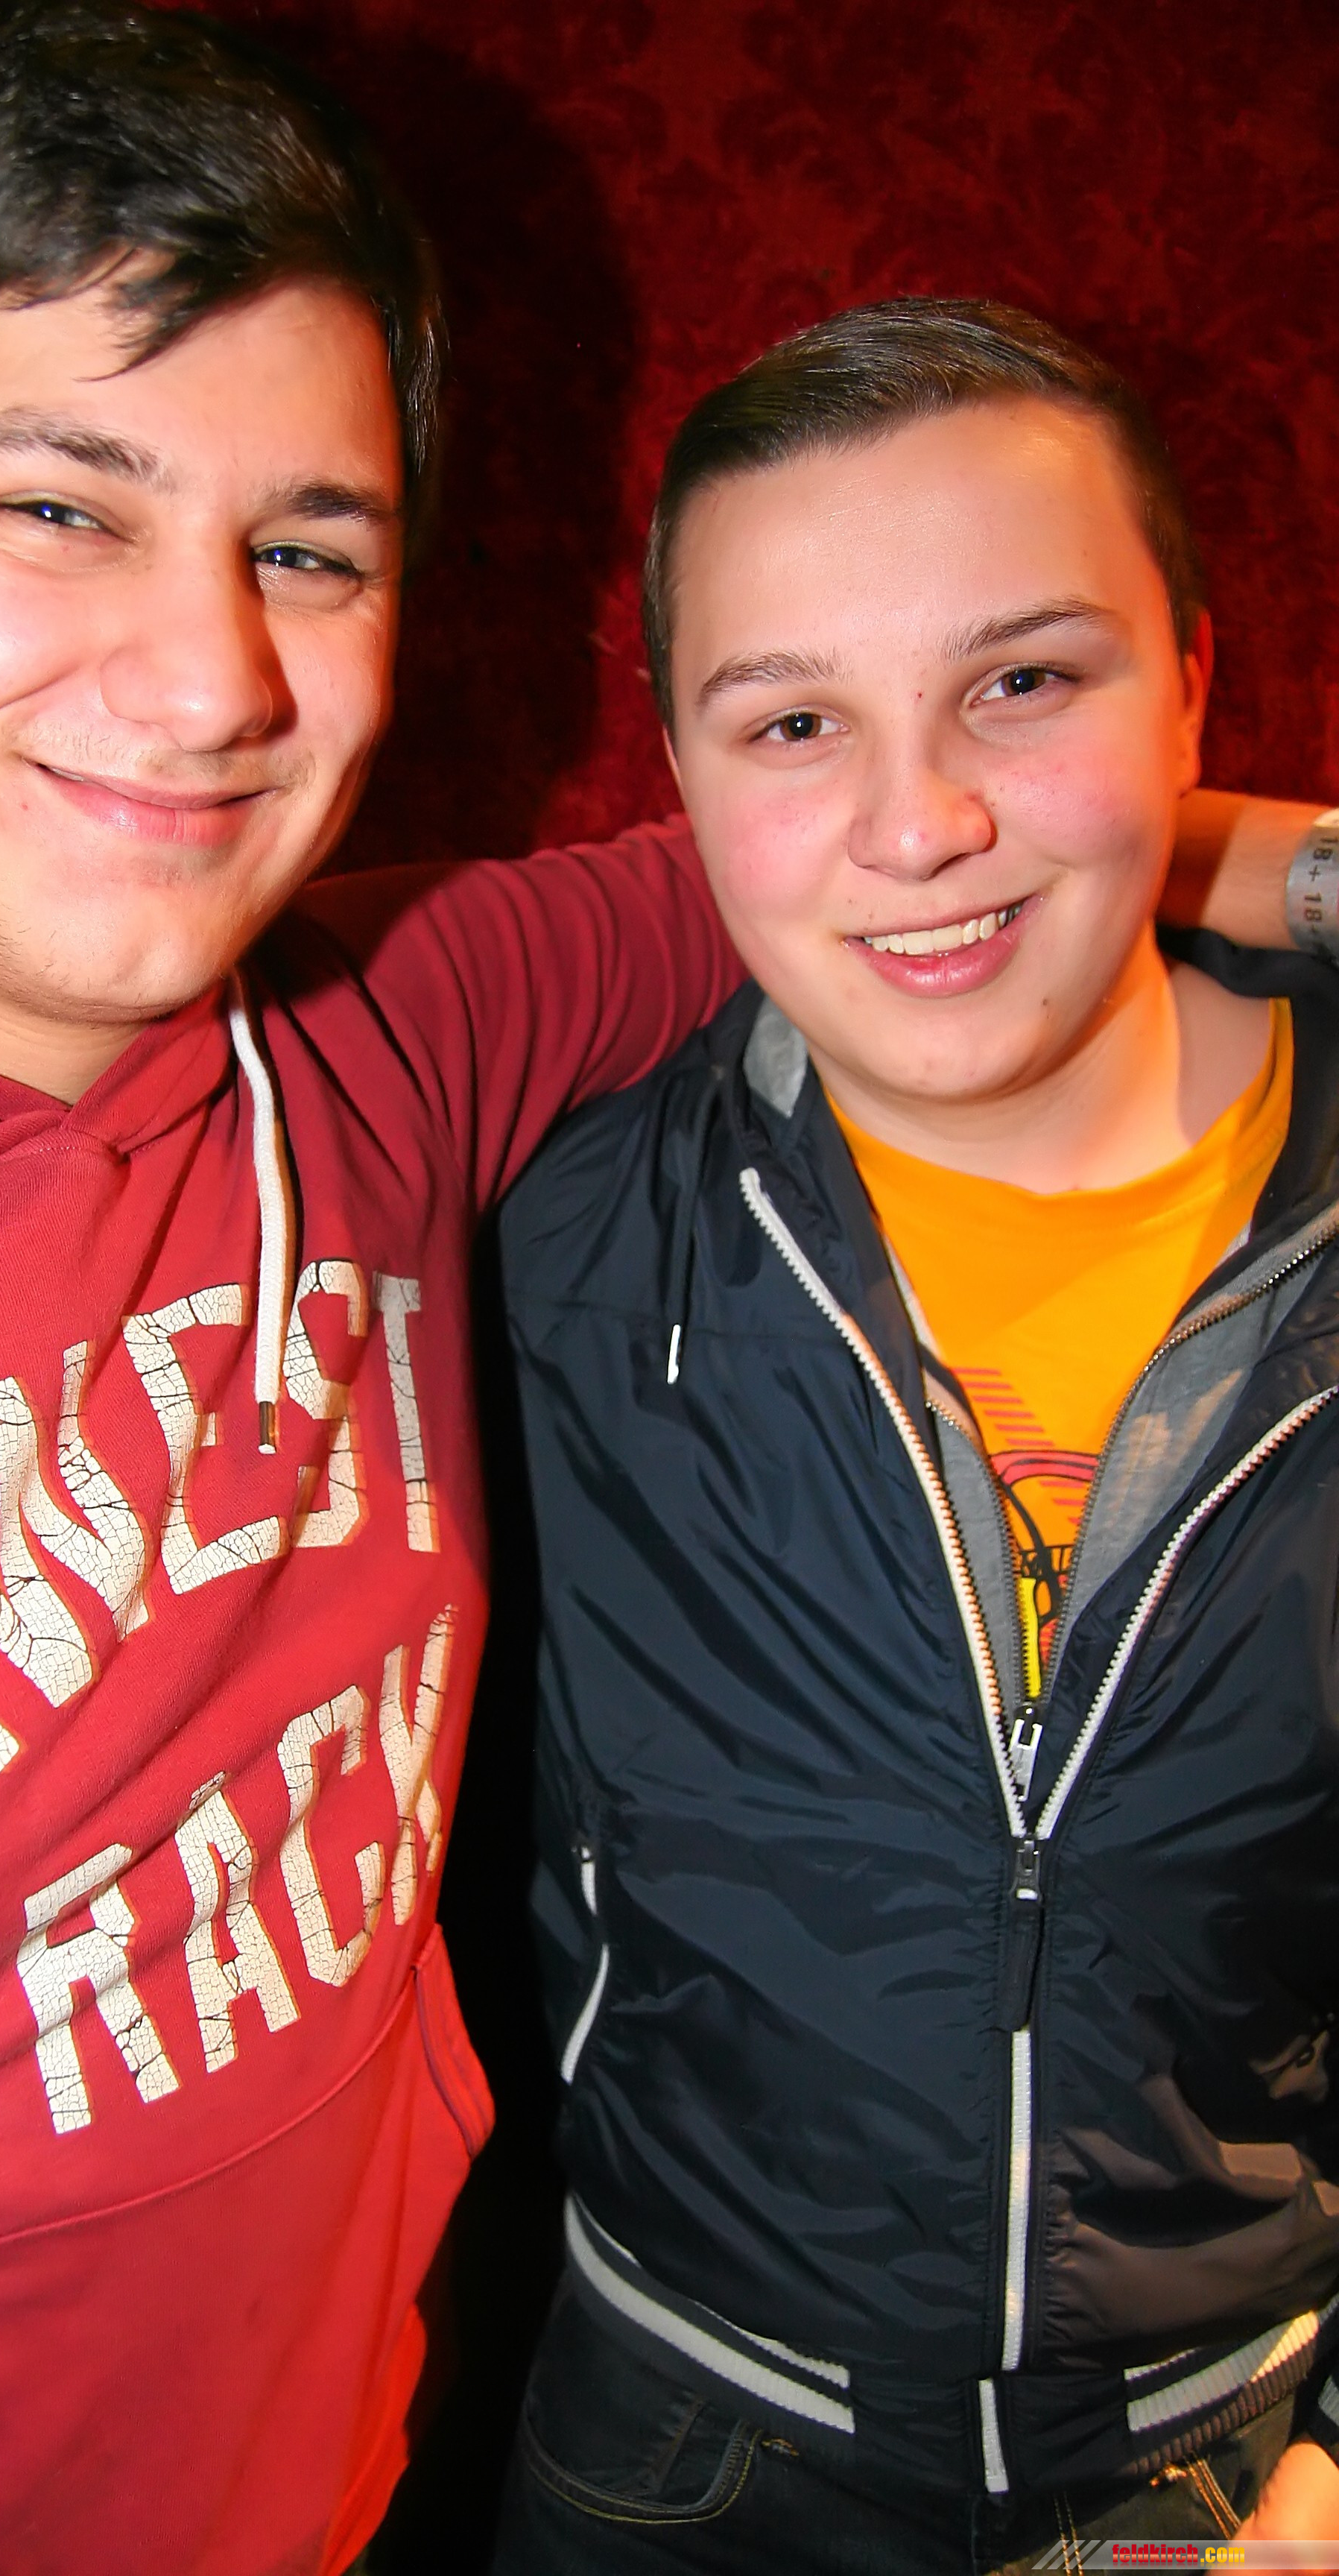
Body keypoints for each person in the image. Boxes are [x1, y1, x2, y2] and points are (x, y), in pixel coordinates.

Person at [0, 7, 1308, 2563]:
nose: (213, 680)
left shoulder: (396, 1040)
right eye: (59, 508)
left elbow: (899, 837)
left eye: (307, 550)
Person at [493, 300, 1339, 2574]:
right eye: (795, 720)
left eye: (1024, 681)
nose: (918, 821)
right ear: (680, 773)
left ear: (1194, 682)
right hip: (677, 2462)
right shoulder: (556, 1253)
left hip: (1240, 2463)